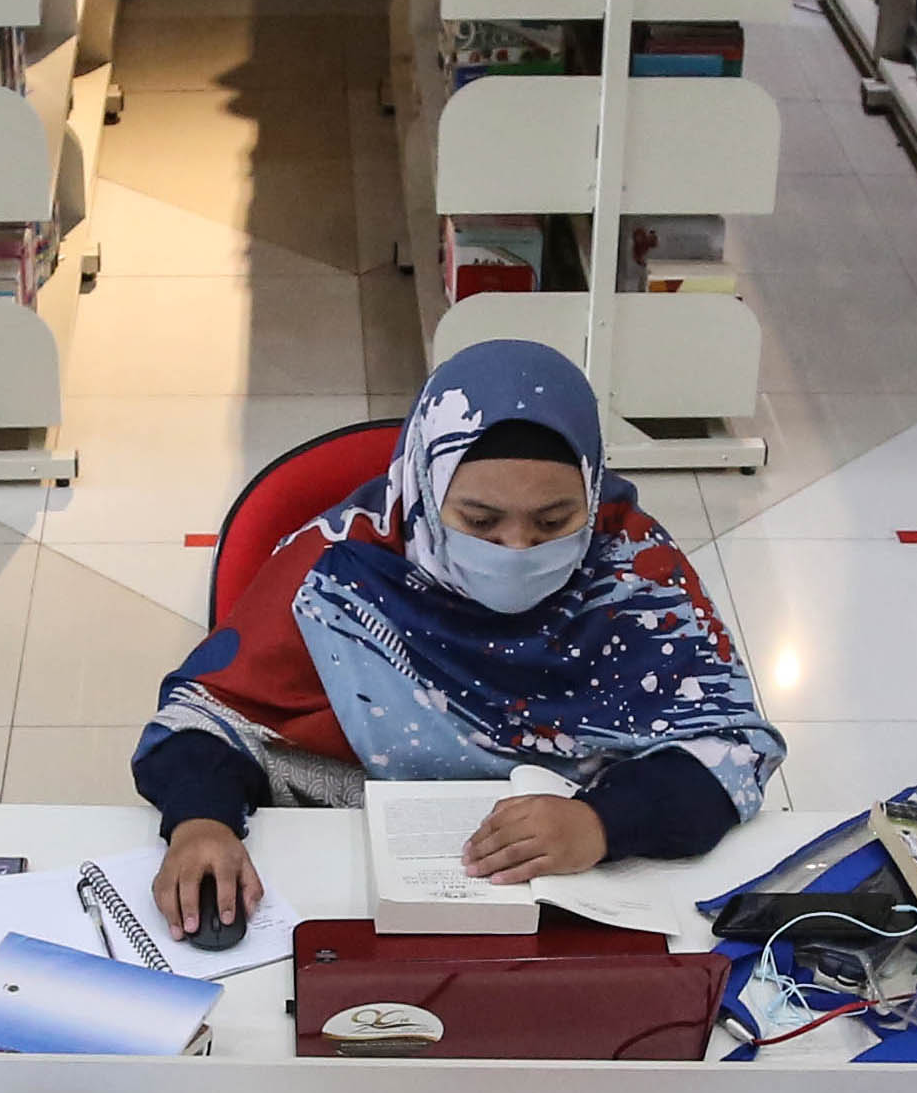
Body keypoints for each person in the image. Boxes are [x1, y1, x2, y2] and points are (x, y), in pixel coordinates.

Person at [137, 342, 781, 933]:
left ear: (592, 489)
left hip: (578, 885)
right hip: (353, 866)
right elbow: (203, 720)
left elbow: (731, 748)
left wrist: (603, 822)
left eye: (555, 520)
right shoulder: (340, 571)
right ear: (423, 489)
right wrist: (200, 820)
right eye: (479, 519)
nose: (517, 548)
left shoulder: (632, 568)